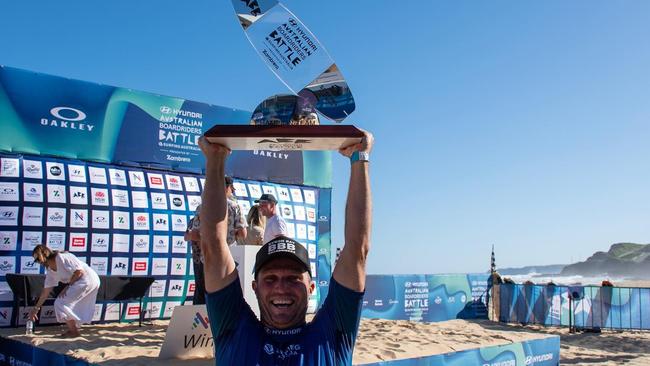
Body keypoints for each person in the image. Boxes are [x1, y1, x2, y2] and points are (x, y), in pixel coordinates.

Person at [198, 129, 373, 365]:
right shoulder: (234, 328)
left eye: (293, 278)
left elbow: (357, 249)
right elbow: (213, 247)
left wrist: (359, 158)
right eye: (270, 279)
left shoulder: (332, 333)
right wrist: (215, 159)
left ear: (311, 287)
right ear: (255, 287)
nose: (281, 287)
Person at [27, 245, 101, 337]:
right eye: (36, 261)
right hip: (82, 281)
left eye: (38, 259)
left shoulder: (62, 257)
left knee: (60, 303)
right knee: (62, 303)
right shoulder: (50, 271)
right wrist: (36, 309)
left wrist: (68, 286)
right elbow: (45, 293)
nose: (38, 262)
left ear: (43, 255)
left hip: (88, 278)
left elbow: (79, 272)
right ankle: (73, 330)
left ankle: (74, 331)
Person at [185, 205, 205, 305]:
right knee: (199, 285)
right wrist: (196, 236)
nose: (198, 215)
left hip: (208, 258)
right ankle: (197, 309)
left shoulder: (209, 222)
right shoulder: (192, 221)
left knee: (205, 286)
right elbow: (186, 236)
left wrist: (197, 235)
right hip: (197, 258)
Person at [225, 176, 248, 245]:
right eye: (231, 189)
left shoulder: (202, 207)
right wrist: (232, 232)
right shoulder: (235, 206)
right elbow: (243, 234)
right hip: (228, 250)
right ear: (227, 188)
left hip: (208, 251)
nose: (232, 191)